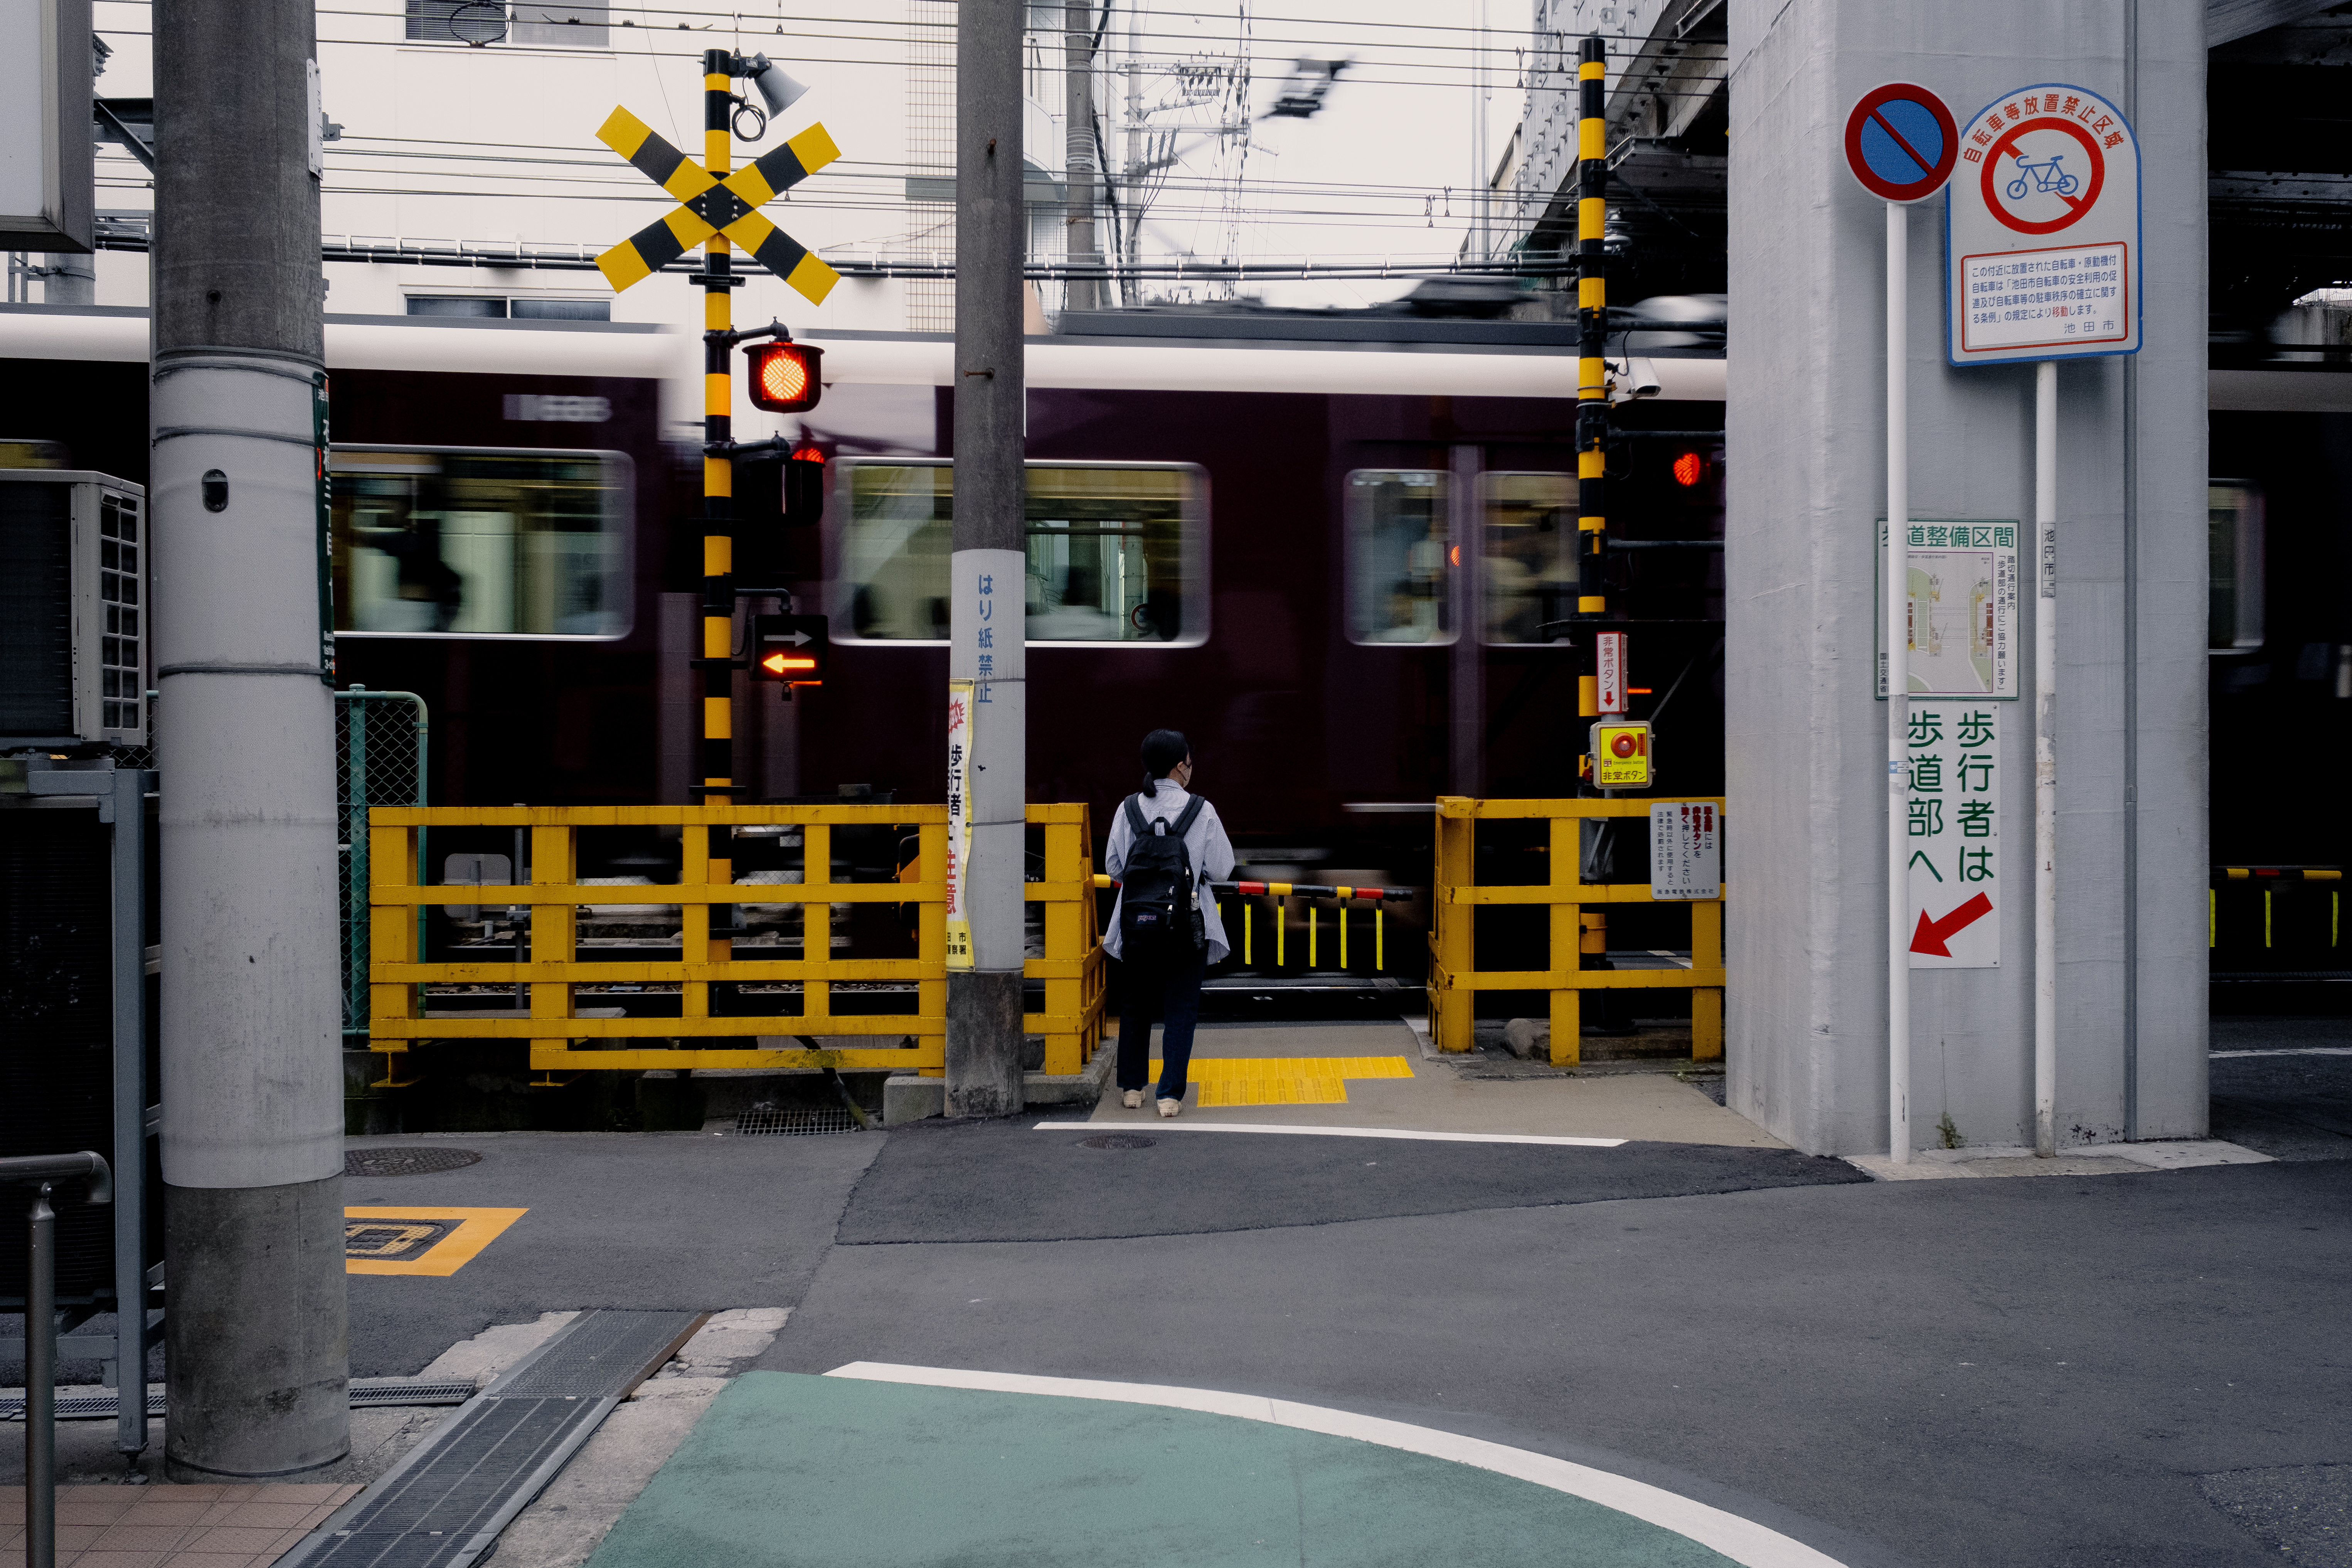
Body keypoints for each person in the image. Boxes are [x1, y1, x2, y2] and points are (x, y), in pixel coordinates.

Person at [1103, 728, 1234, 1117]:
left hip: (1137, 926)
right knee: (1180, 1007)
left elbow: (1113, 867)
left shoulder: (1128, 808)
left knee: (1135, 1004)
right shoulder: (1201, 809)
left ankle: (1131, 1088)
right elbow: (1222, 868)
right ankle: (1169, 1095)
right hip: (1186, 925)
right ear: (1181, 766)